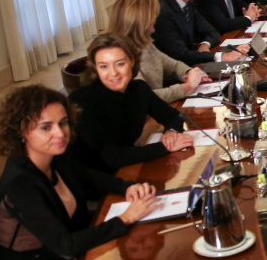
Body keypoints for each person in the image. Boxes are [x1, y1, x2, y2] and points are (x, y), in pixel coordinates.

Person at [0, 85, 160, 260]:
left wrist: (126, 187)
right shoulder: (20, 184)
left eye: (63, 123)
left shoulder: (52, 155)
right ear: (21, 131)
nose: (60, 133)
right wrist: (125, 218)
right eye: (46, 127)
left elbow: (88, 177)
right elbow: (66, 245)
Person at [69, 33, 194, 172]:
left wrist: (171, 132)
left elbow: (173, 116)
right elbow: (110, 157)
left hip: (127, 167)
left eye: (120, 64)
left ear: (132, 62)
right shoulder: (81, 100)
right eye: (104, 66)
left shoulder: (138, 89)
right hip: (96, 176)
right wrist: (165, 147)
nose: (113, 73)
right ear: (95, 69)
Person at [108, 0, 206, 103]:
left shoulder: (145, 44)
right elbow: (144, 97)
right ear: (143, 20)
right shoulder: (119, 56)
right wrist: (187, 87)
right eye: (153, 15)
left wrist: (189, 73)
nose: (156, 18)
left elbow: (173, 66)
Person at [153, 0, 248, 66]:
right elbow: (180, 54)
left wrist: (205, 44)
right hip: (175, 69)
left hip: (191, 62)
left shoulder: (187, 3)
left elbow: (212, 32)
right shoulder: (163, 12)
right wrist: (222, 56)